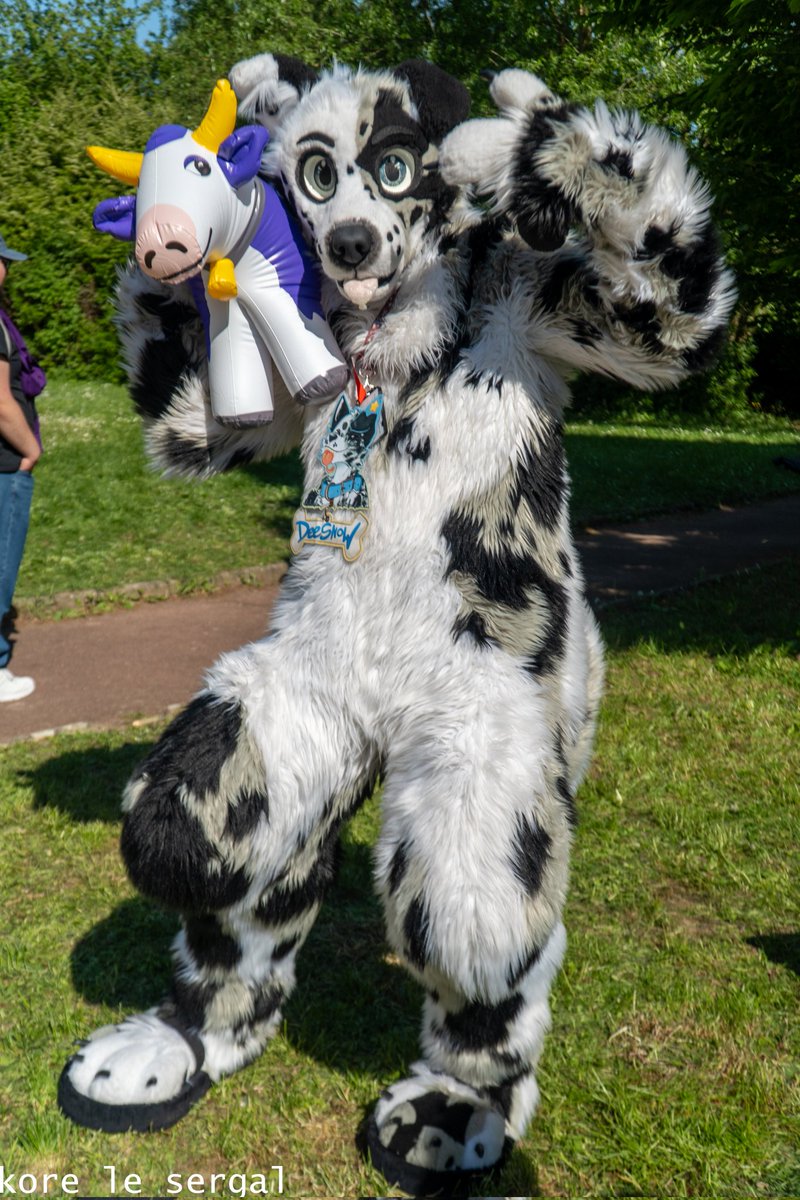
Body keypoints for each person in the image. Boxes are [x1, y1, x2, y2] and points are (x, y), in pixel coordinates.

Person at [0, 230, 44, 702]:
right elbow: (1, 404)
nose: (6, 271)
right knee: (0, 569)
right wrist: (29, 449)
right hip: (6, 466)